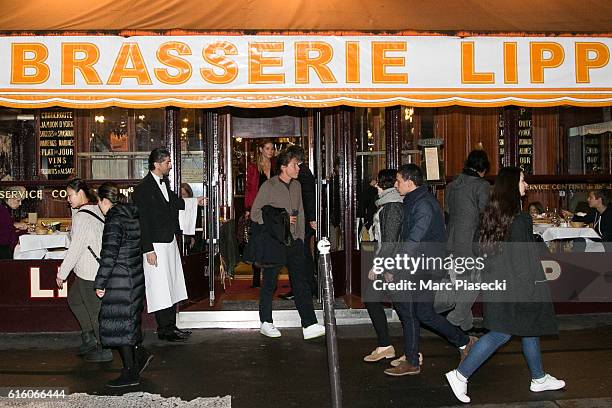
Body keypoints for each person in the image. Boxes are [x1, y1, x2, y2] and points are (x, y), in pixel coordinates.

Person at [445, 167, 565, 403]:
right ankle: (460, 375)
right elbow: (523, 261)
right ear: (512, 185)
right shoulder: (520, 220)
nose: (526, 185)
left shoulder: (491, 215)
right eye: (522, 180)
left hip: (497, 282)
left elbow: (479, 249)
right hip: (516, 287)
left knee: (529, 329)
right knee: (501, 333)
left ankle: (539, 378)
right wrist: (531, 290)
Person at [384, 164, 477, 377]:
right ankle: (413, 359)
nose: (395, 184)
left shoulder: (423, 204)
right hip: (421, 266)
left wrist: (394, 267)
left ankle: (463, 341)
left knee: (420, 312)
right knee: (413, 312)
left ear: (409, 181)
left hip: (426, 267)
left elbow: (414, 240)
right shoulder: (414, 201)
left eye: (398, 180)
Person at [250, 149, 325, 340]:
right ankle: (266, 322)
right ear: (284, 167)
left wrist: (300, 237)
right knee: (270, 283)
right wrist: (280, 220)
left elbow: (300, 213)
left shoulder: (297, 186)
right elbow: (256, 214)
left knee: (301, 282)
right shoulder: (269, 186)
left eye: (299, 164)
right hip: (275, 242)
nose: (298, 167)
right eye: (294, 164)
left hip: (295, 242)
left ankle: (309, 324)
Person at [132, 148, 204, 342]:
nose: (170, 166)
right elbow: (142, 222)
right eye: (167, 163)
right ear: (156, 164)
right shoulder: (143, 189)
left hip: (169, 241)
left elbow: (176, 203)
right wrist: (148, 249)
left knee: (171, 284)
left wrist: (194, 202)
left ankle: (171, 326)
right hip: (155, 245)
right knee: (160, 287)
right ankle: (164, 329)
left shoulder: (165, 183)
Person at [94, 182, 152, 388]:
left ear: (104, 201)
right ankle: (140, 356)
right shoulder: (130, 215)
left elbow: (109, 254)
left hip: (119, 280)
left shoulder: (114, 219)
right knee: (129, 322)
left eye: (98, 202)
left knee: (119, 326)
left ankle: (130, 372)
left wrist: (100, 282)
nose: (98, 206)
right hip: (133, 277)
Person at [56, 179, 112, 362]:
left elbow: (76, 248)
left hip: (90, 272)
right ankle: (89, 337)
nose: (68, 200)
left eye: (70, 195)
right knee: (75, 300)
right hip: (88, 270)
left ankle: (105, 349)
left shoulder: (82, 216)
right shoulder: (94, 209)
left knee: (95, 311)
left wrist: (62, 274)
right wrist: (75, 208)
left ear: (80, 194)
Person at [437, 150, 490, 331]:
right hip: (471, 242)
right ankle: (454, 320)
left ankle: (466, 331)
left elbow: (448, 211)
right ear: (482, 169)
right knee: (474, 283)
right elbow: (486, 215)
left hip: (452, 240)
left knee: (461, 283)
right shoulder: (481, 185)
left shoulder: (452, 185)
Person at [363, 169, 404, 362]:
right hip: (388, 262)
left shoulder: (393, 206)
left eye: (377, 181)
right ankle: (386, 345)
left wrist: (380, 266)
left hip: (392, 264)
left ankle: (409, 351)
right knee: (375, 299)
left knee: (405, 308)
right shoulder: (386, 204)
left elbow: (390, 240)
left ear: (382, 184)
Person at [283, 145, 317, 299]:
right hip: (303, 220)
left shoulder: (302, 173)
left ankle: (305, 288)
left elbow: (309, 197)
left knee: (300, 255)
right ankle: (306, 287)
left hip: (302, 221)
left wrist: (312, 218)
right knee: (302, 255)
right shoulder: (305, 172)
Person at [245, 139, 276, 287]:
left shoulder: (276, 166)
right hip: (259, 208)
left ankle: (271, 279)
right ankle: (256, 279)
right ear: (261, 150)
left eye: (272, 149)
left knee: (272, 243)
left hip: (274, 209)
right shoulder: (253, 167)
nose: (271, 151)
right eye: (268, 148)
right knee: (257, 242)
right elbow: (250, 188)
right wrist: (248, 208)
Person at [0, 186, 28, 259]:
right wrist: (25, 231)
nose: (20, 203)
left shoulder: (4, 208)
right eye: (18, 200)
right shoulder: (3, 210)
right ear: (9, 197)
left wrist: (15, 225)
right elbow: (8, 237)